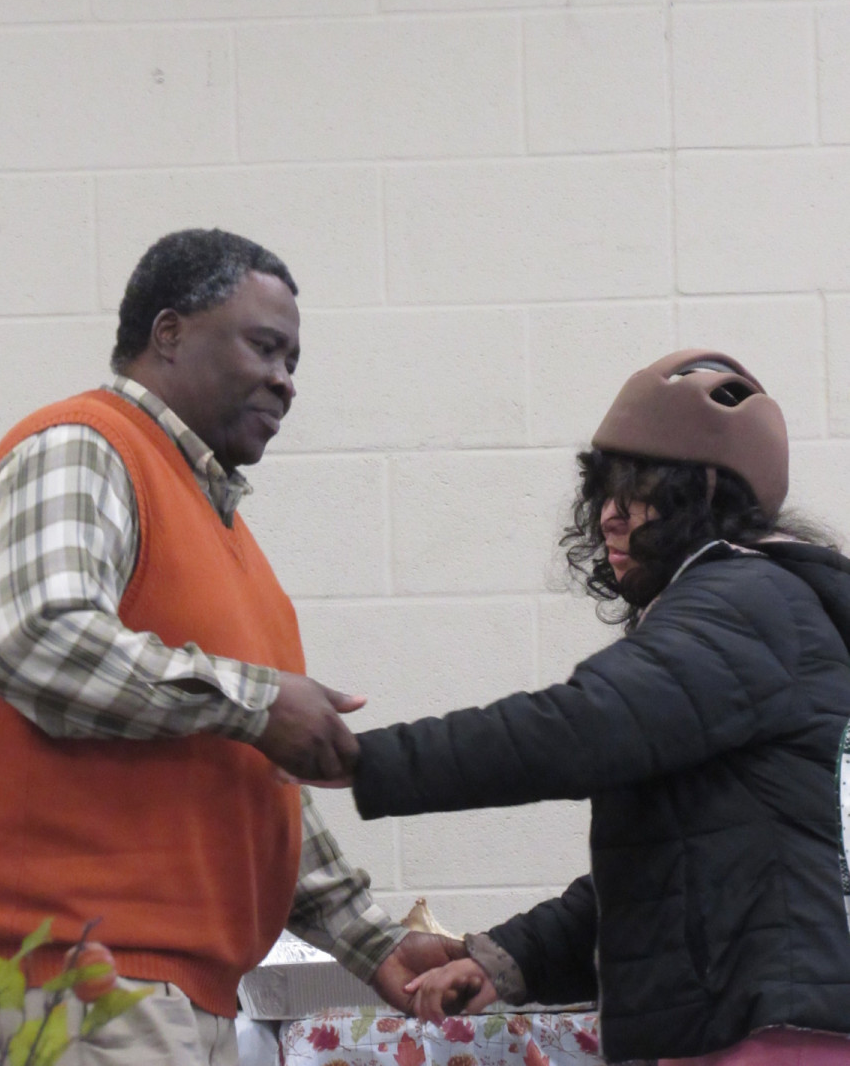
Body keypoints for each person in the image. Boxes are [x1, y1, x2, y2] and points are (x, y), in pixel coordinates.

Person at [0, 229, 461, 1066]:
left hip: (170, 985)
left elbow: (244, 779)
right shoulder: (83, 446)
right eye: (265, 346)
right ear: (170, 332)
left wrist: (371, 940)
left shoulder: (222, 533)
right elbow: (38, 638)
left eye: (294, 360)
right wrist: (259, 702)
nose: (285, 379)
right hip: (82, 972)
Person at [340, 350, 850, 1065]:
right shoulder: (757, 609)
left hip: (771, 1033)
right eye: (604, 493)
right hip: (758, 1024)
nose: (610, 516)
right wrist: (502, 958)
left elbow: (578, 727)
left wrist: (360, 758)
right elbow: (663, 877)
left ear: (706, 497)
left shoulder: (745, 600)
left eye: (639, 491)